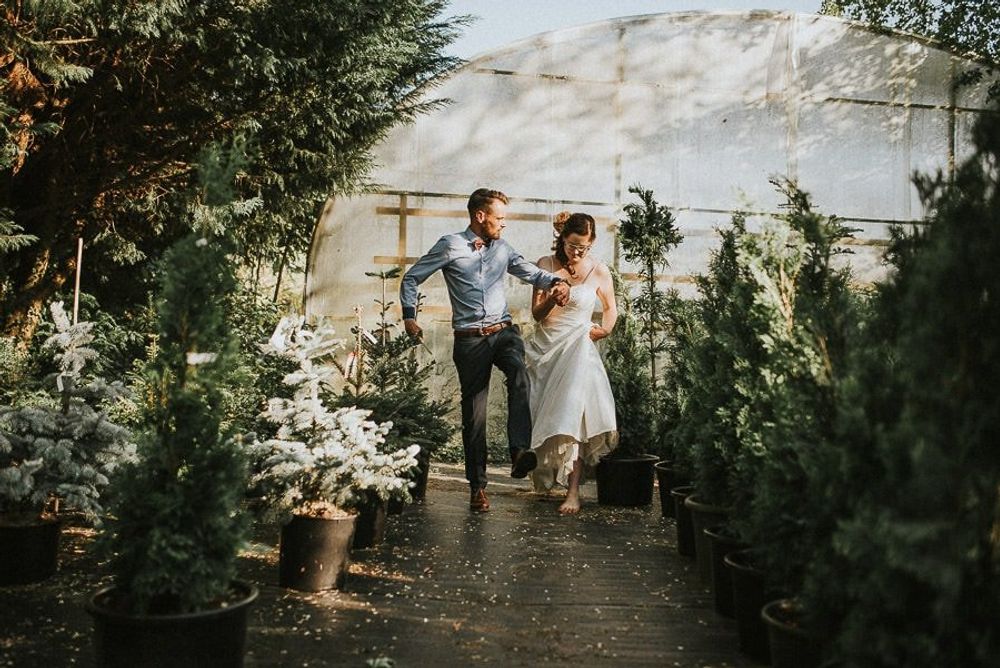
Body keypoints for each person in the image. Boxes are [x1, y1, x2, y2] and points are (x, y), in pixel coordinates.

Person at [400, 188, 570, 512]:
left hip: (503, 332)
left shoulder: (503, 249)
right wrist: (410, 316)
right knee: (474, 416)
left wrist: (557, 283)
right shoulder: (450, 245)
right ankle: (477, 487)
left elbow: (531, 272)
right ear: (481, 216)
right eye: (499, 218)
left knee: (519, 374)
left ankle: (519, 452)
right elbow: (411, 278)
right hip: (470, 341)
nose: (503, 224)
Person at [525, 211, 618, 514]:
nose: (577, 252)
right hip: (547, 348)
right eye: (572, 245)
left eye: (584, 247)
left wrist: (604, 330)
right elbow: (537, 314)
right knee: (545, 415)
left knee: (574, 415)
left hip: (579, 346)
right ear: (562, 238)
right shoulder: (545, 265)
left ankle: (573, 490)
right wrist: (552, 298)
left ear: (592, 244)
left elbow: (610, 308)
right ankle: (546, 476)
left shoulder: (599, 271)